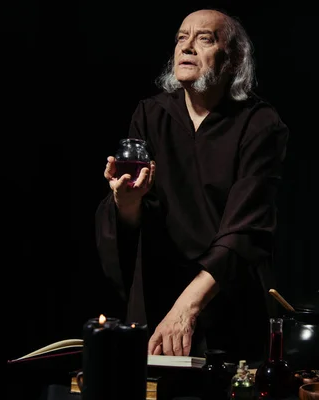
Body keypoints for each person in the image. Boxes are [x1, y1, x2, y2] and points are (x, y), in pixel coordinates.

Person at [95, 8, 289, 363]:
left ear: (232, 60)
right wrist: (127, 202)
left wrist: (188, 306)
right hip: (159, 293)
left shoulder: (260, 124)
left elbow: (247, 228)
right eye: (181, 38)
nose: (187, 48)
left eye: (204, 39)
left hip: (227, 295)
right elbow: (134, 217)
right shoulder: (151, 115)